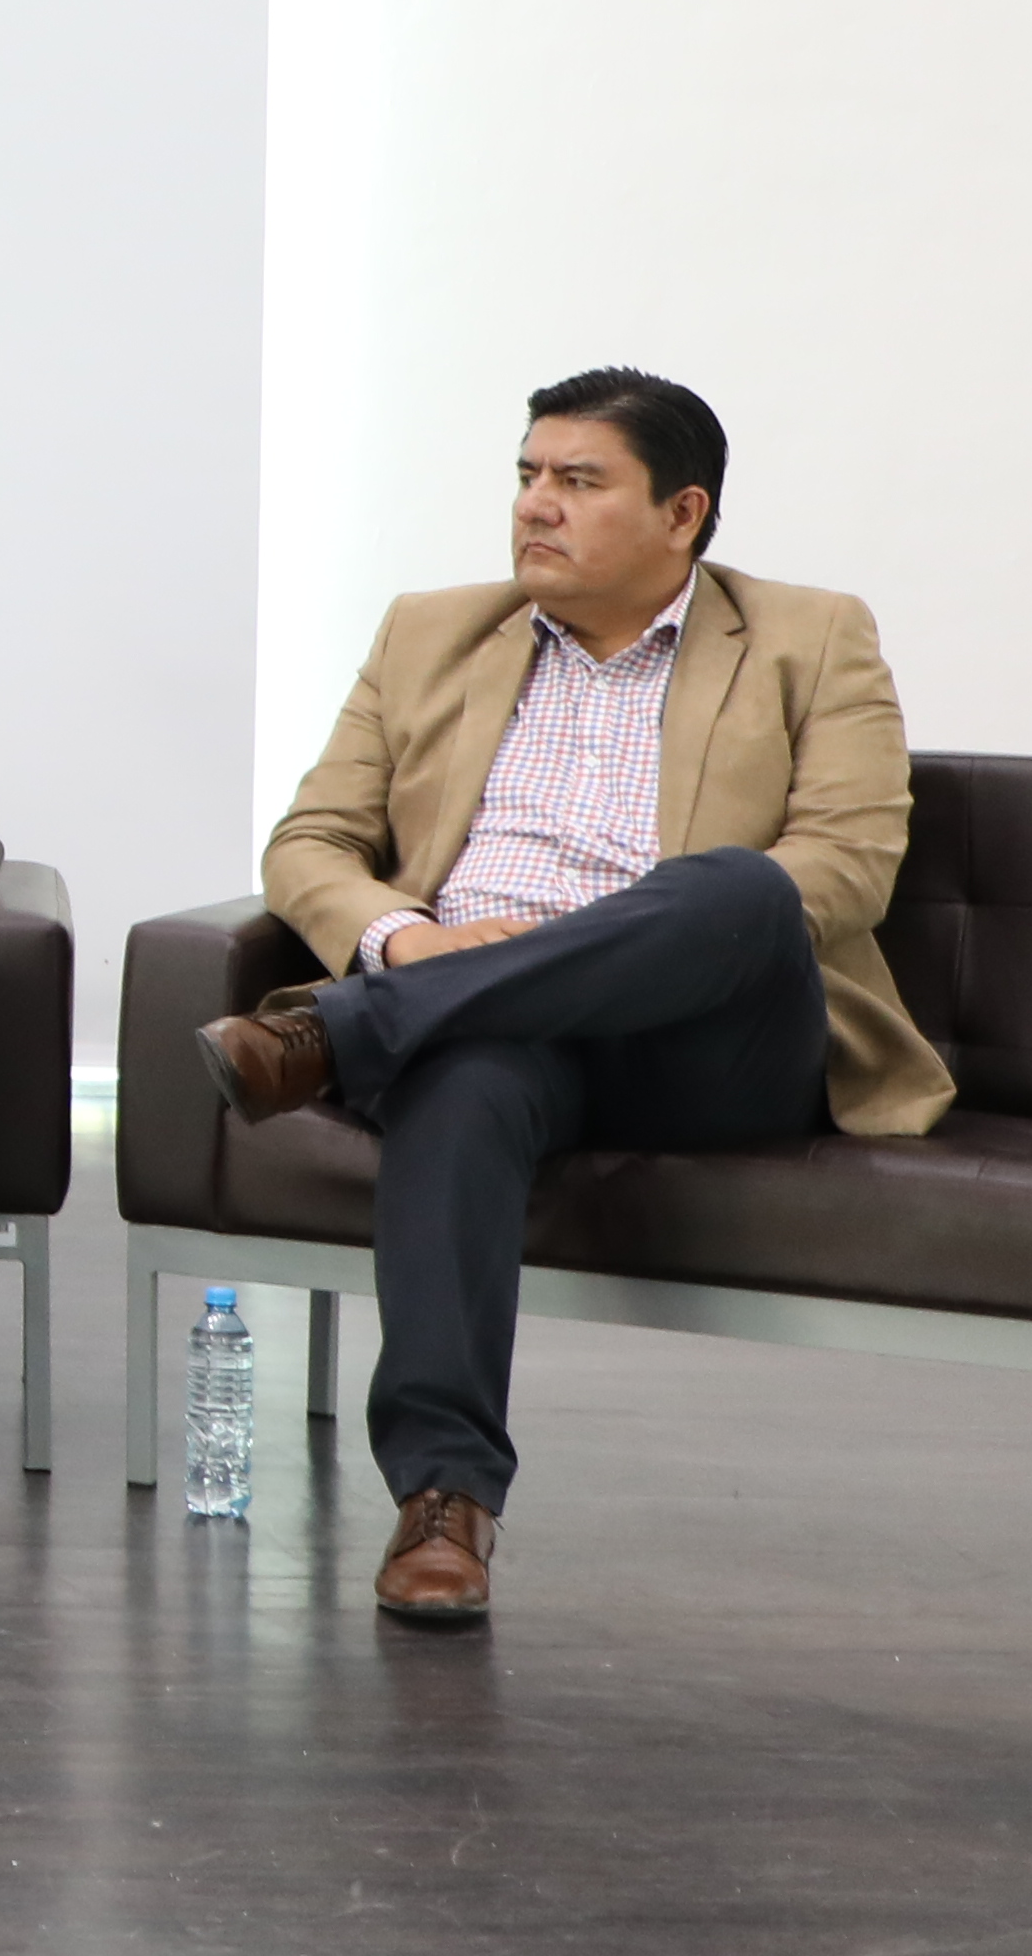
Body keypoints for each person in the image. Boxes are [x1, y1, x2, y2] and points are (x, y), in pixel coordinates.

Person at [200, 368, 934, 1629]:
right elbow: (312, 840)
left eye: (579, 481)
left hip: (703, 1038)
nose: (536, 505)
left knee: (739, 886)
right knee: (461, 1078)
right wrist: (407, 939)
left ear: (683, 514)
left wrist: (550, 951)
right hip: (490, 1026)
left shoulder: (811, 635)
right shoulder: (430, 631)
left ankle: (339, 1033)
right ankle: (444, 1500)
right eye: (529, 475)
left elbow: (848, 863)